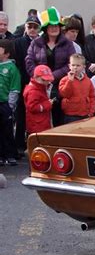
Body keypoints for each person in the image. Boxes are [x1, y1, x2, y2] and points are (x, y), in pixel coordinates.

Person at [25, 6, 75, 127]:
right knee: (41, 116)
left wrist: (52, 76)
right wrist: (40, 78)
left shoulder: (67, 44)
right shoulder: (35, 43)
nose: (54, 28)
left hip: (60, 85)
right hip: (39, 86)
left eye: (56, 25)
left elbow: (71, 63)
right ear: (45, 28)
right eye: (51, 26)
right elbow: (29, 61)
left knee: (58, 116)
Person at [14, 15, 41, 152]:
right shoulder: (18, 42)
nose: (32, 29)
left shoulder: (42, 42)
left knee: (38, 114)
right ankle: (19, 143)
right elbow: (17, 62)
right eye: (29, 26)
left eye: (35, 26)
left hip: (39, 83)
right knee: (21, 114)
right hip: (23, 81)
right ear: (25, 27)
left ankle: (36, 143)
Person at [0, 39, 21, 165]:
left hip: (5, 104)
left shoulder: (11, 68)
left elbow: (14, 88)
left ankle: (10, 154)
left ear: (7, 53)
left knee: (7, 130)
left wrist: (10, 105)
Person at [59, 53, 95, 123]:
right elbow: (64, 94)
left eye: (78, 65)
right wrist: (69, 81)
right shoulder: (64, 80)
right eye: (73, 65)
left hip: (85, 113)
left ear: (83, 67)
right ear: (69, 66)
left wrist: (91, 111)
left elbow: (92, 96)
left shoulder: (88, 81)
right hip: (70, 114)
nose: (75, 67)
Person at [23, 65, 55, 134]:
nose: (46, 82)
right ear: (35, 77)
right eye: (43, 80)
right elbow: (32, 107)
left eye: (48, 80)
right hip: (37, 126)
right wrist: (48, 104)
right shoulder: (33, 91)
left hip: (41, 122)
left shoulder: (40, 87)